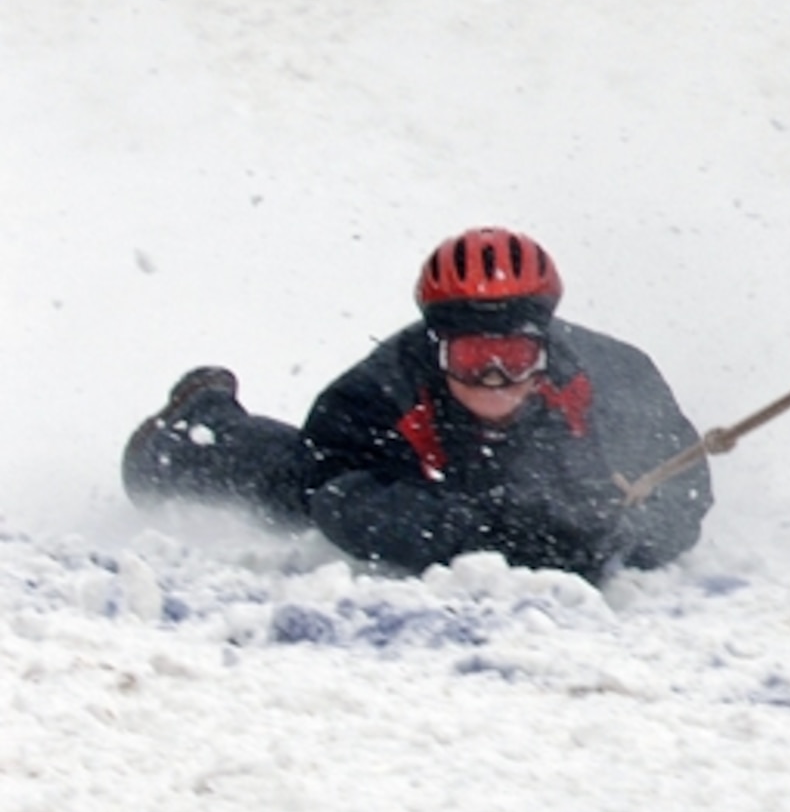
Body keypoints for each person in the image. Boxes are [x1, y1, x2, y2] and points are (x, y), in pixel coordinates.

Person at [120, 228, 710, 580]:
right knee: (289, 486)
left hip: (521, 484)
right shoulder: (371, 395)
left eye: (516, 354)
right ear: (438, 350)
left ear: (546, 348)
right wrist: (499, 532)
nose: (498, 378)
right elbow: (343, 504)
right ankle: (195, 425)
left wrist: (620, 531)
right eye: (475, 358)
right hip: (408, 473)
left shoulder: (615, 379)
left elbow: (686, 490)